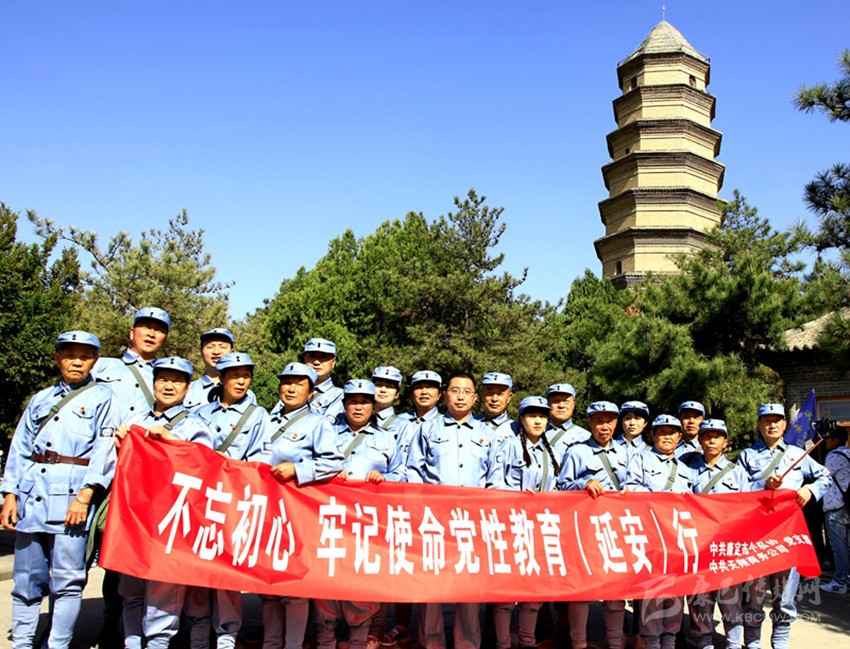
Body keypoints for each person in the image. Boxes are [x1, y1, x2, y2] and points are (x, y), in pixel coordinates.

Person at [0, 331, 118, 649]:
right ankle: (22, 642)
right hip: (32, 496)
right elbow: (20, 448)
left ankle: (58, 644)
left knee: (67, 582)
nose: (76, 361)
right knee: (25, 580)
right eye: (69, 355)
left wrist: (86, 495)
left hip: (71, 500)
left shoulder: (103, 398)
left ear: (94, 360)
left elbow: (105, 450)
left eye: (84, 356)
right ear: (57, 359)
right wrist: (10, 494)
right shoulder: (41, 399)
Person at [113, 356, 214, 649]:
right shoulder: (135, 421)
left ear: (187, 387)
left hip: (171, 522)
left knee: (163, 597)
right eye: (163, 380)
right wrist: (120, 440)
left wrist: (172, 442)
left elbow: (204, 466)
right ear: (154, 383)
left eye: (177, 381)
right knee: (131, 593)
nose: (169, 386)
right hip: (135, 518)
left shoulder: (195, 425)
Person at [407, 372, 503, 649]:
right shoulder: (427, 429)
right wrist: (419, 510)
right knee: (431, 584)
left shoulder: (487, 433)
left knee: (469, 585)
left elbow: (495, 478)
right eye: (455, 390)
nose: (460, 396)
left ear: (475, 398)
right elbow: (413, 471)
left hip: (472, 521)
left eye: (466, 392)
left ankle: (467, 643)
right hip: (434, 520)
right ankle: (431, 642)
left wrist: (490, 515)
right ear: (444, 395)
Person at [91, 306, 170, 647]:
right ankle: (109, 624)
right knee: (100, 551)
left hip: (145, 479)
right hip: (106, 470)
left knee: (134, 554)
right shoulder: (105, 367)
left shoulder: (169, 375)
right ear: (131, 332)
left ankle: (132, 630)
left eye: (158, 329)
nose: (151, 333)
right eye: (145, 327)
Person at [187, 352, 273, 649]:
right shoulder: (200, 413)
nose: (241, 381)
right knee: (198, 569)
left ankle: (227, 638)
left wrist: (230, 465)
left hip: (235, 501)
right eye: (234, 375)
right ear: (221, 378)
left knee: (227, 572)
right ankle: (198, 638)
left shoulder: (258, 415)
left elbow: (263, 458)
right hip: (202, 501)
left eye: (246, 376)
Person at [315, 380, 405, 649]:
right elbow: (310, 464)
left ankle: (359, 639)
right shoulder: (326, 433)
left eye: (364, 402)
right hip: (329, 521)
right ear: (344, 405)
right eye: (353, 401)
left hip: (367, 524)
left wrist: (384, 478)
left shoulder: (385, 439)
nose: (358, 407)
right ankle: (325, 641)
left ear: (372, 406)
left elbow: (401, 474)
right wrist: (328, 473)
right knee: (326, 584)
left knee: (362, 585)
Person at [262, 362, 344, 649]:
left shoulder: (317, 423)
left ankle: (293, 645)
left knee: (294, 585)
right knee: (268, 583)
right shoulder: (265, 419)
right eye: (287, 382)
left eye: (299, 384)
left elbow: (334, 462)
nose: (291, 388)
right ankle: (271, 643)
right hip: (265, 509)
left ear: (310, 392)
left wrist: (297, 470)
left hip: (296, 513)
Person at [737, 403, 831, 649]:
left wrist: (810, 489)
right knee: (754, 599)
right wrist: (762, 485)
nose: (772, 425)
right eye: (766, 420)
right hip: (757, 538)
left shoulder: (796, 454)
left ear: (784, 424)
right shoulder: (747, 456)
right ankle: (753, 645)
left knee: (785, 599)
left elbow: (825, 476)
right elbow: (737, 491)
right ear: (759, 425)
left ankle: (780, 645)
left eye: (777, 420)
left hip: (788, 536)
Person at [557, 401, 628, 649]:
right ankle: (578, 643)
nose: (604, 426)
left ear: (616, 423)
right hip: (585, 532)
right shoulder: (577, 452)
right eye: (598, 421)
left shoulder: (626, 452)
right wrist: (583, 484)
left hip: (616, 531)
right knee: (582, 592)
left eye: (609, 421)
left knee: (615, 593)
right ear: (589, 422)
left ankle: (615, 643)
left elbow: (636, 485)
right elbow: (561, 486)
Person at [380, 370, 443, 646]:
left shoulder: (445, 424)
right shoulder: (398, 422)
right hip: (394, 503)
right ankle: (396, 625)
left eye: (431, 387)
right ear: (410, 392)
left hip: (430, 507)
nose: (424, 392)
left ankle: (427, 634)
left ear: (440, 394)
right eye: (419, 387)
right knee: (396, 565)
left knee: (428, 567)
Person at [493, 396, 560, 649]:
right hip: (512, 528)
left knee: (533, 595)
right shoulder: (508, 446)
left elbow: (561, 488)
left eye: (542, 416)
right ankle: (502, 644)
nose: (538, 421)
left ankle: (527, 642)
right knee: (506, 596)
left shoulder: (552, 452)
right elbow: (494, 484)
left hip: (542, 530)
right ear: (521, 419)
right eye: (532, 415)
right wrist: (516, 497)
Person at [625, 414, 696, 649]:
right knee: (652, 595)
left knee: (674, 595)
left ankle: (670, 642)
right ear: (653, 435)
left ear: (679, 437)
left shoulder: (686, 469)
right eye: (661, 432)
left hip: (678, 542)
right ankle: (652, 642)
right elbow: (631, 488)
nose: (667, 437)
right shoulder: (641, 459)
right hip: (651, 540)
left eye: (671, 433)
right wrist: (662, 499)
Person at [686, 419, 751, 649]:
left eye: (717, 436)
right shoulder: (687, 471)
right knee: (700, 603)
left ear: (725, 442)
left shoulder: (738, 473)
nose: (711, 440)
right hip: (698, 548)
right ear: (700, 440)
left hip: (727, 549)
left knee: (731, 603)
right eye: (707, 436)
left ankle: (733, 644)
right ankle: (705, 644)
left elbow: (748, 509)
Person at [186, 328, 254, 410]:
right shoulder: (187, 391)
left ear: (231, 352)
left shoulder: (248, 395)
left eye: (223, 347)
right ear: (201, 351)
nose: (216, 352)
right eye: (210, 347)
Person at [820, 425, 850, 594]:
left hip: (836, 505)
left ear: (836, 441)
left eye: (828, 438)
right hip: (848, 505)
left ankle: (840, 581)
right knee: (848, 545)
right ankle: (848, 578)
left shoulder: (834, 456)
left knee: (839, 546)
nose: (825, 442)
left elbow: (823, 475)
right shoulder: (849, 454)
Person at [302, 338, 344, 422]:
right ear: (304, 359)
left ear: (333, 362)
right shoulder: (292, 389)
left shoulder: (338, 395)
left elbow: (328, 425)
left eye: (324, 357)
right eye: (312, 356)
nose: (316, 362)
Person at [475, 372, 515, 444]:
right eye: (490, 393)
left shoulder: (516, 429)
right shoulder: (471, 423)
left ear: (509, 397)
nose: (494, 399)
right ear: (482, 394)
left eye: (500, 394)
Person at [546, 383, 590, 447]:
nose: (561, 406)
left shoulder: (585, 437)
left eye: (566, 402)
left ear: (573, 405)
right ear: (548, 404)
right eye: (556, 401)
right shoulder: (535, 432)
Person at [371, 365, 405, 430]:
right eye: (378, 385)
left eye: (389, 386)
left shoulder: (403, 425)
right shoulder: (355, 419)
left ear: (397, 394)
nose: (383, 390)